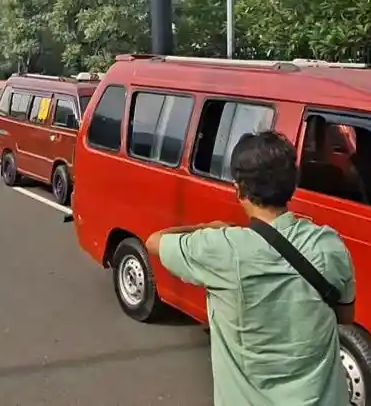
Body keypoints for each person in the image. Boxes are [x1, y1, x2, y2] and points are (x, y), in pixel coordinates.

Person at [148, 131, 356, 406]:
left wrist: (206, 227)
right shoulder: (328, 244)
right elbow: (345, 315)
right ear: (292, 184)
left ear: (239, 188)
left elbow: (154, 241)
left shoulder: (221, 249)